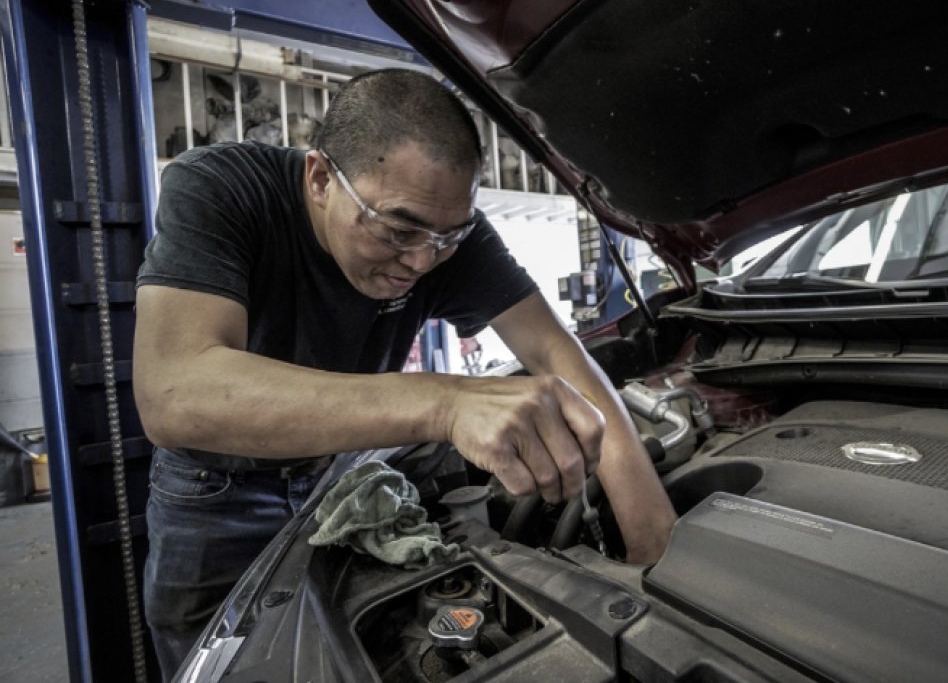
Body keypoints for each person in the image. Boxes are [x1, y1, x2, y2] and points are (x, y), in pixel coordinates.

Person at [132, 69, 677, 679]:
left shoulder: (445, 235)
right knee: (218, 662)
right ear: (319, 178)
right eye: (398, 230)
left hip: (343, 475)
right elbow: (175, 393)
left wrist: (653, 538)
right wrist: (447, 404)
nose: (422, 260)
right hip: (216, 491)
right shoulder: (223, 187)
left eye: (449, 235)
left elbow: (556, 353)